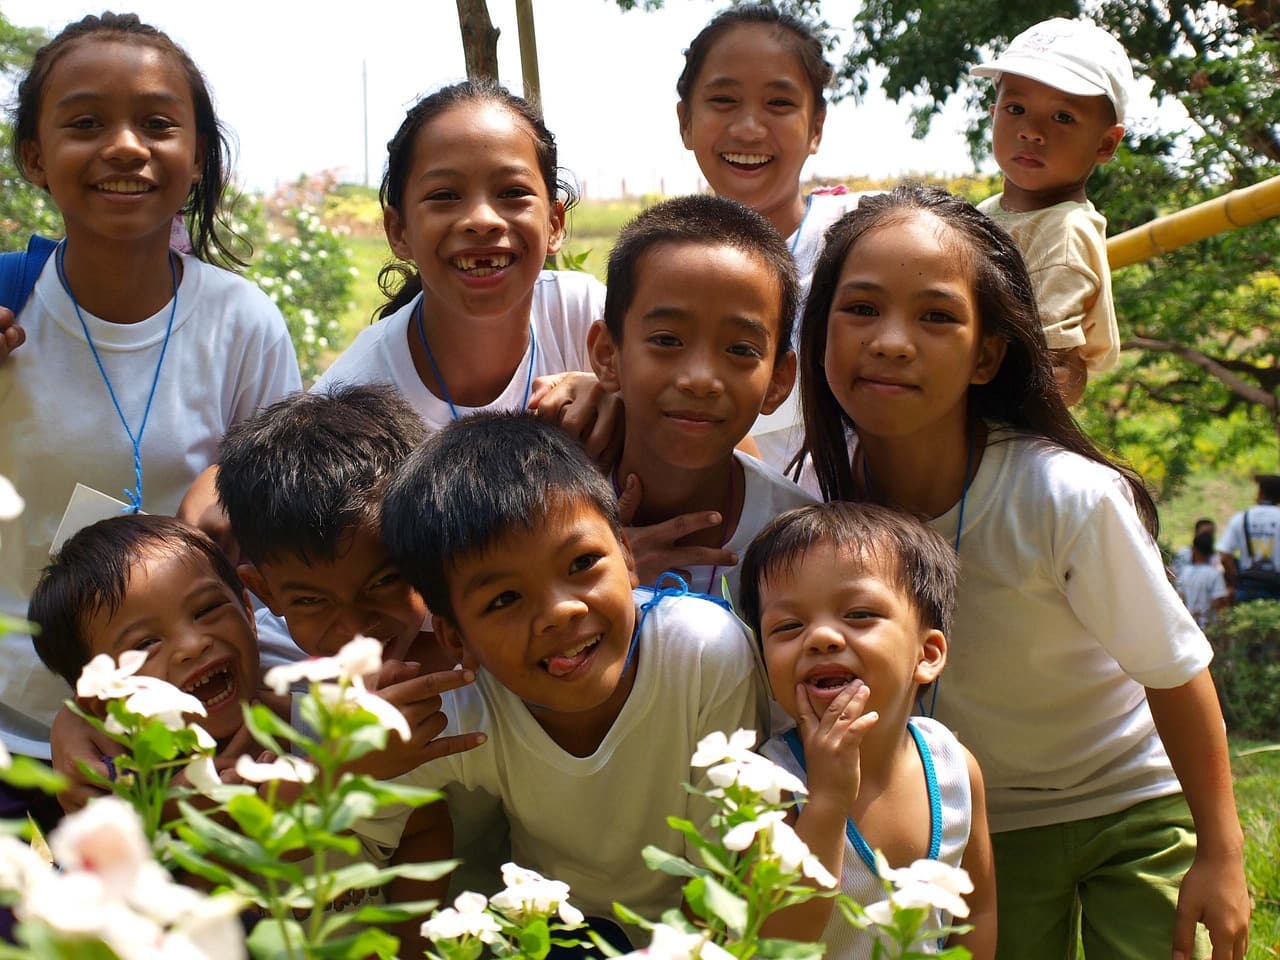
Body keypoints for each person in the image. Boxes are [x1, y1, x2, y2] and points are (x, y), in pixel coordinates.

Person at [796, 184, 1250, 959]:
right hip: (988, 823)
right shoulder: (815, 509)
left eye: (936, 316)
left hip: (1129, 806)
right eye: (861, 308)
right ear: (819, 329)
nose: (893, 341)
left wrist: (1221, 851)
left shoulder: (1063, 496)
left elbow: (1175, 670)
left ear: (988, 355)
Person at [0, 13, 300, 813]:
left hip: (211, 722)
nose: (126, 145)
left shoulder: (242, 323)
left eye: (158, 123)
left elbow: (283, 538)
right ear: (35, 156)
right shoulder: (8, 310)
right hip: (24, 729)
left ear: (196, 156)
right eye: (86, 122)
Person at [367, 412, 766, 952]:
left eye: (582, 563)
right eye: (504, 599)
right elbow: (350, 848)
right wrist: (355, 765)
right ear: (455, 637)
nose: (559, 611)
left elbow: (728, 876)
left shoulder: (703, 653)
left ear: (627, 556)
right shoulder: (457, 710)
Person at [739, 502, 996, 958]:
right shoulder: (770, 785)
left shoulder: (954, 767)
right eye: (789, 625)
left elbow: (975, 912)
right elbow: (779, 941)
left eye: (858, 615)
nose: (821, 638)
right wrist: (828, 803)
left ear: (928, 654)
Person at [314, 79, 608, 444]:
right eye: (444, 195)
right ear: (398, 231)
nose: (482, 219)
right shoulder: (351, 403)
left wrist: (619, 395)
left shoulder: (584, 319)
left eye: (513, 192)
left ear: (554, 223)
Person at [586, 194, 815, 599]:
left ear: (779, 380)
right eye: (667, 340)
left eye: (741, 350)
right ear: (607, 355)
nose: (700, 379)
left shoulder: (802, 544)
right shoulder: (542, 507)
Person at [676, 3, 867, 469]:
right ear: (685, 122)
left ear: (816, 126)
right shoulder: (664, 267)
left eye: (779, 103)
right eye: (723, 101)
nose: (748, 128)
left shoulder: (860, 238)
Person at [971, 17, 1129, 406]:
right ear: (993, 115)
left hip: (1001, 430)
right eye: (1016, 108)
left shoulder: (1064, 231)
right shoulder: (985, 212)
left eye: (1062, 117)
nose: (1032, 130)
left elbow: (1056, 370)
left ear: (1106, 144)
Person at [29, 515, 263, 748]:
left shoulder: (292, 655)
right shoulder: (124, 780)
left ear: (249, 613)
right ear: (106, 704)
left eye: (206, 610)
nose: (192, 645)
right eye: (146, 644)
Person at [1219, 474, 1280, 604]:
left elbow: (1224, 556)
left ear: (1260, 493)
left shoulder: (1241, 518)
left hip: (1247, 588)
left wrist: (1234, 579)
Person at [1176, 529, 1230, 629]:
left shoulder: (1185, 572)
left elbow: (1180, 596)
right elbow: (1218, 603)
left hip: (1188, 625)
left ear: (1194, 549)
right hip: (1207, 627)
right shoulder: (1214, 574)